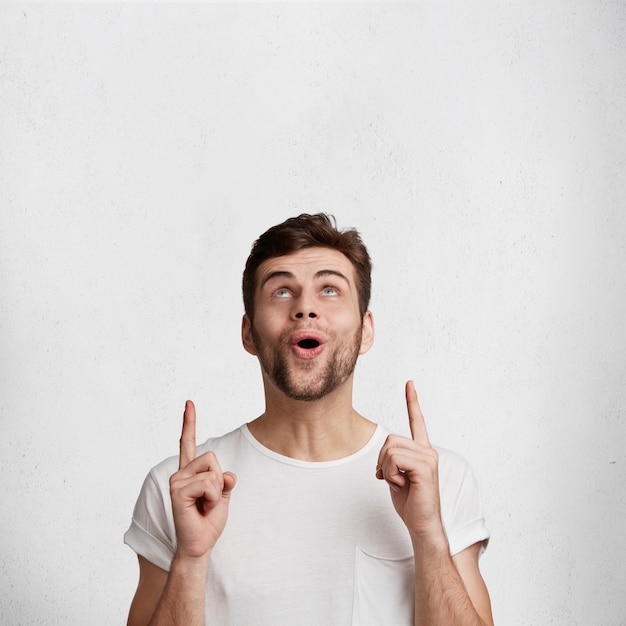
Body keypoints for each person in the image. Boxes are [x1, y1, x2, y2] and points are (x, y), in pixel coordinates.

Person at [124, 213, 493, 625]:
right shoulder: (180, 488)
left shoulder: (441, 481)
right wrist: (190, 560)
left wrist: (428, 537)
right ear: (248, 333)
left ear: (366, 330)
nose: (305, 308)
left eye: (330, 289)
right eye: (281, 292)